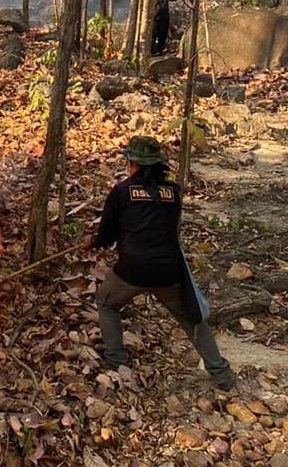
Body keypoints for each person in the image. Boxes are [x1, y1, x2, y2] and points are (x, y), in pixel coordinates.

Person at [87, 135, 235, 390]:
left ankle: (116, 362)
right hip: (169, 270)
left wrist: (94, 241)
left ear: (133, 165)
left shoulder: (122, 191)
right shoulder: (173, 193)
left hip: (132, 269)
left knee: (107, 303)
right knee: (192, 319)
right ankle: (222, 375)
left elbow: (108, 234)